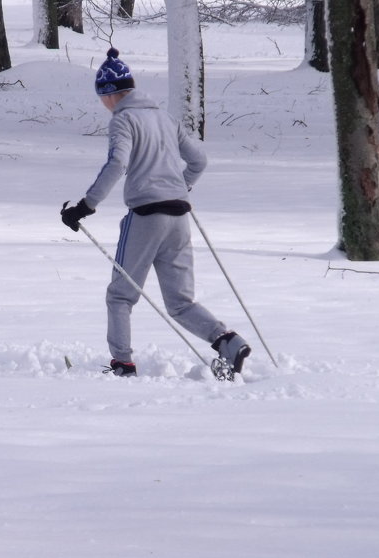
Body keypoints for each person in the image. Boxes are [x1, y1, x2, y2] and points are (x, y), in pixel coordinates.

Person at [60, 47, 250, 378]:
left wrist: (85, 206)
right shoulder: (164, 117)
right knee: (180, 302)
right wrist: (180, 187)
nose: (104, 105)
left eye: (103, 98)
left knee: (120, 296)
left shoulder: (123, 120)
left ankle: (123, 363)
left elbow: (117, 163)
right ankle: (227, 340)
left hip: (146, 216)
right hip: (179, 217)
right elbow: (198, 161)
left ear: (110, 94)